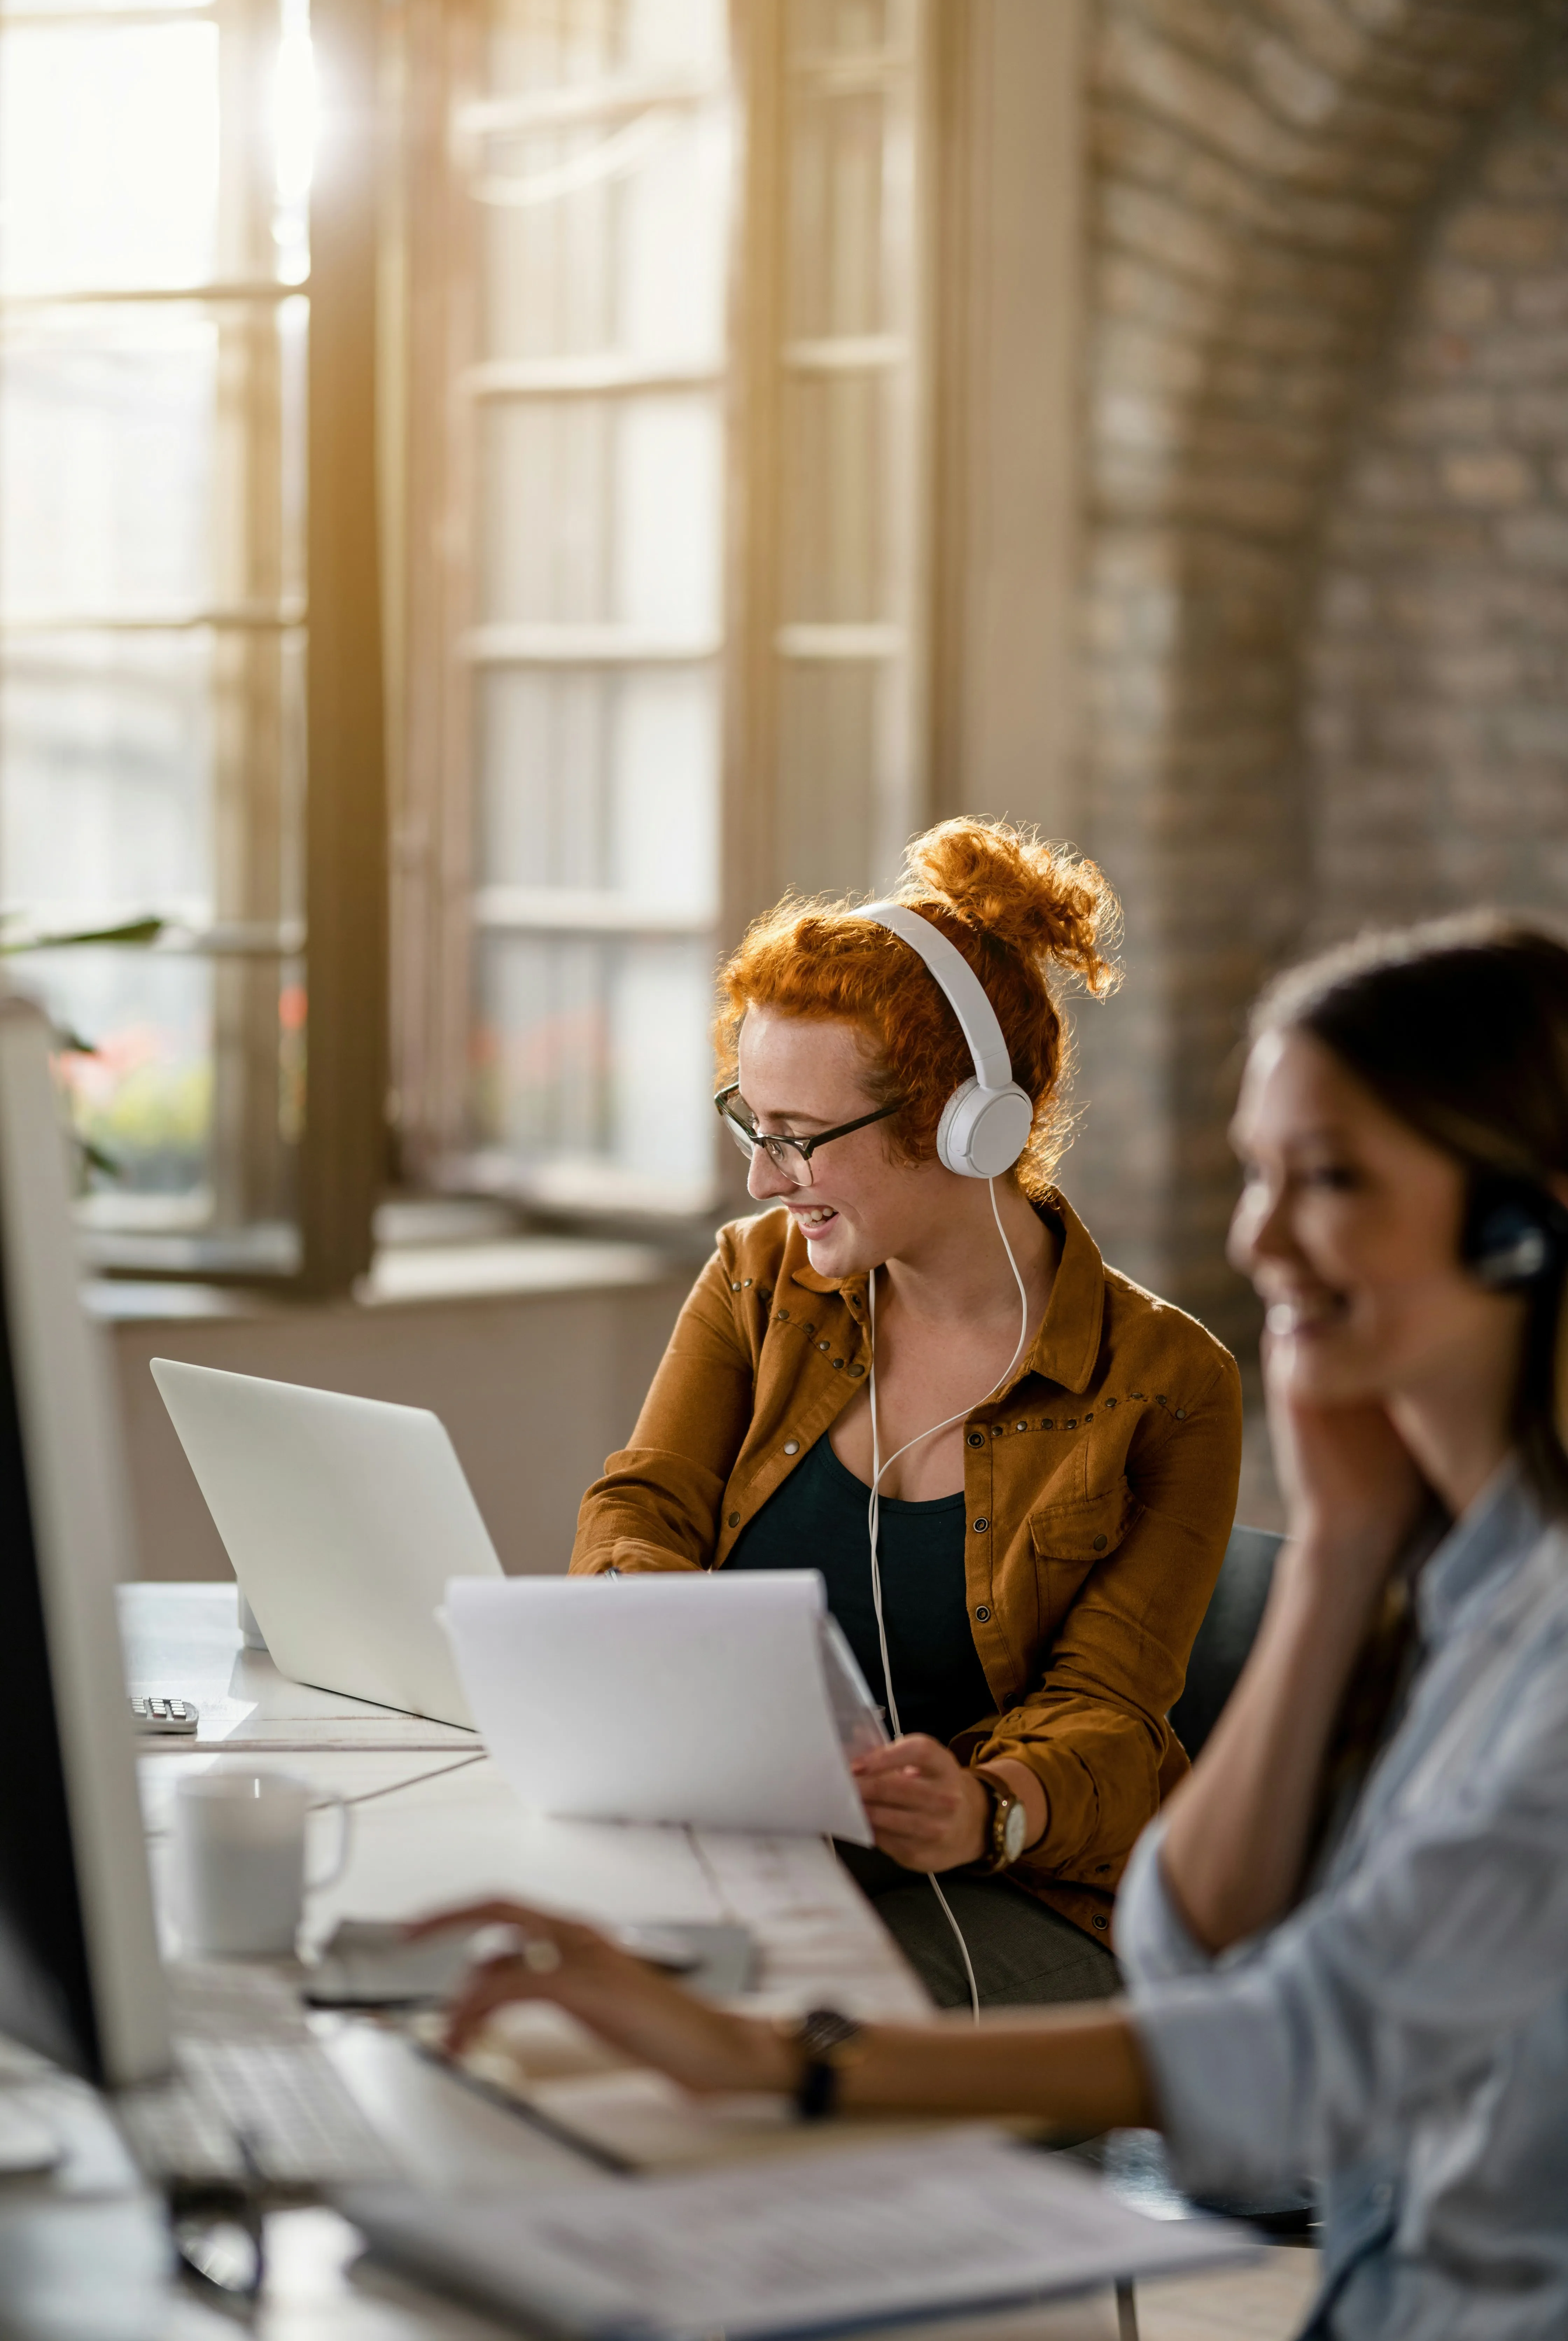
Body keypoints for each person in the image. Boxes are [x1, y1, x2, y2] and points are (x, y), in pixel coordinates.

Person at [418, 913, 1568, 2340]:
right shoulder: (1456, 1586)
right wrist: (1337, 1547)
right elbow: (1212, 1962)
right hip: (1380, 2290)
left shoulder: (1186, 1399)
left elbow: (1270, 2055)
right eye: (1255, 1175)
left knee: (630, 2111)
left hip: (1008, 1910)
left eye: (1321, 1180)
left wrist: (950, 1859)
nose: (1252, 1238)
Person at [566, 816, 1242, 2007]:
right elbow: (646, 1503)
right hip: (763, 1858)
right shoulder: (755, 1277)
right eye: (751, 1125)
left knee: (745, 2026)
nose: (763, 1180)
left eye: (800, 1141)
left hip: (1022, 1895)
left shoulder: (1166, 1386)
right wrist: (645, 1634)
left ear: (964, 1123)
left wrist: (987, 1808)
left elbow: (1109, 1715)